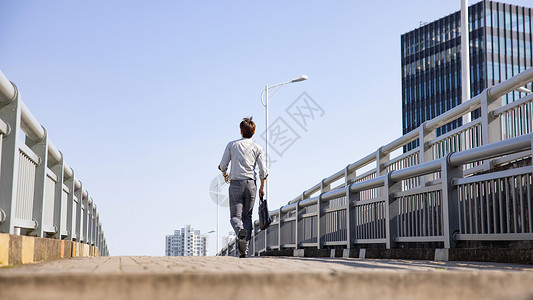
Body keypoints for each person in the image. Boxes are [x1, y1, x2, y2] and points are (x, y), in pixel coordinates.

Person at [218, 117, 268, 258]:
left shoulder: (232, 145)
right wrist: (262, 187)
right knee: (248, 217)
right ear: (253, 132)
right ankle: (244, 251)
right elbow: (263, 171)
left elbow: (223, 165)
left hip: (235, 184)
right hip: (251, 184)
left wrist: (224, 174)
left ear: (240, 131)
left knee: (235, 217)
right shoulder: (258, 148)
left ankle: (239, 231)